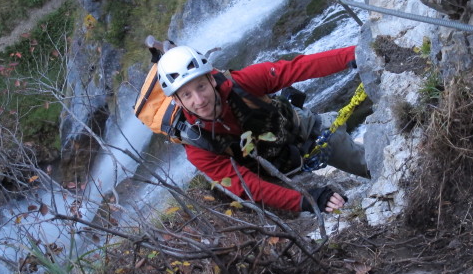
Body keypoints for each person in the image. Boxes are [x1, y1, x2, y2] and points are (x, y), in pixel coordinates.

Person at [156, 44, 369, 214]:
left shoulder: (241, 84)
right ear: (176, 101)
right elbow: (245, 186)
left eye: (201, 87)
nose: (199, 100)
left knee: (366, 163)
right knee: (308, 212)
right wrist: (307, 201)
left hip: (303, 132)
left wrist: (357, 53)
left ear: (211, 79)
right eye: (187, 95)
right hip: (274, 173)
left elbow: (296, 68)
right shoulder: (197, 145)